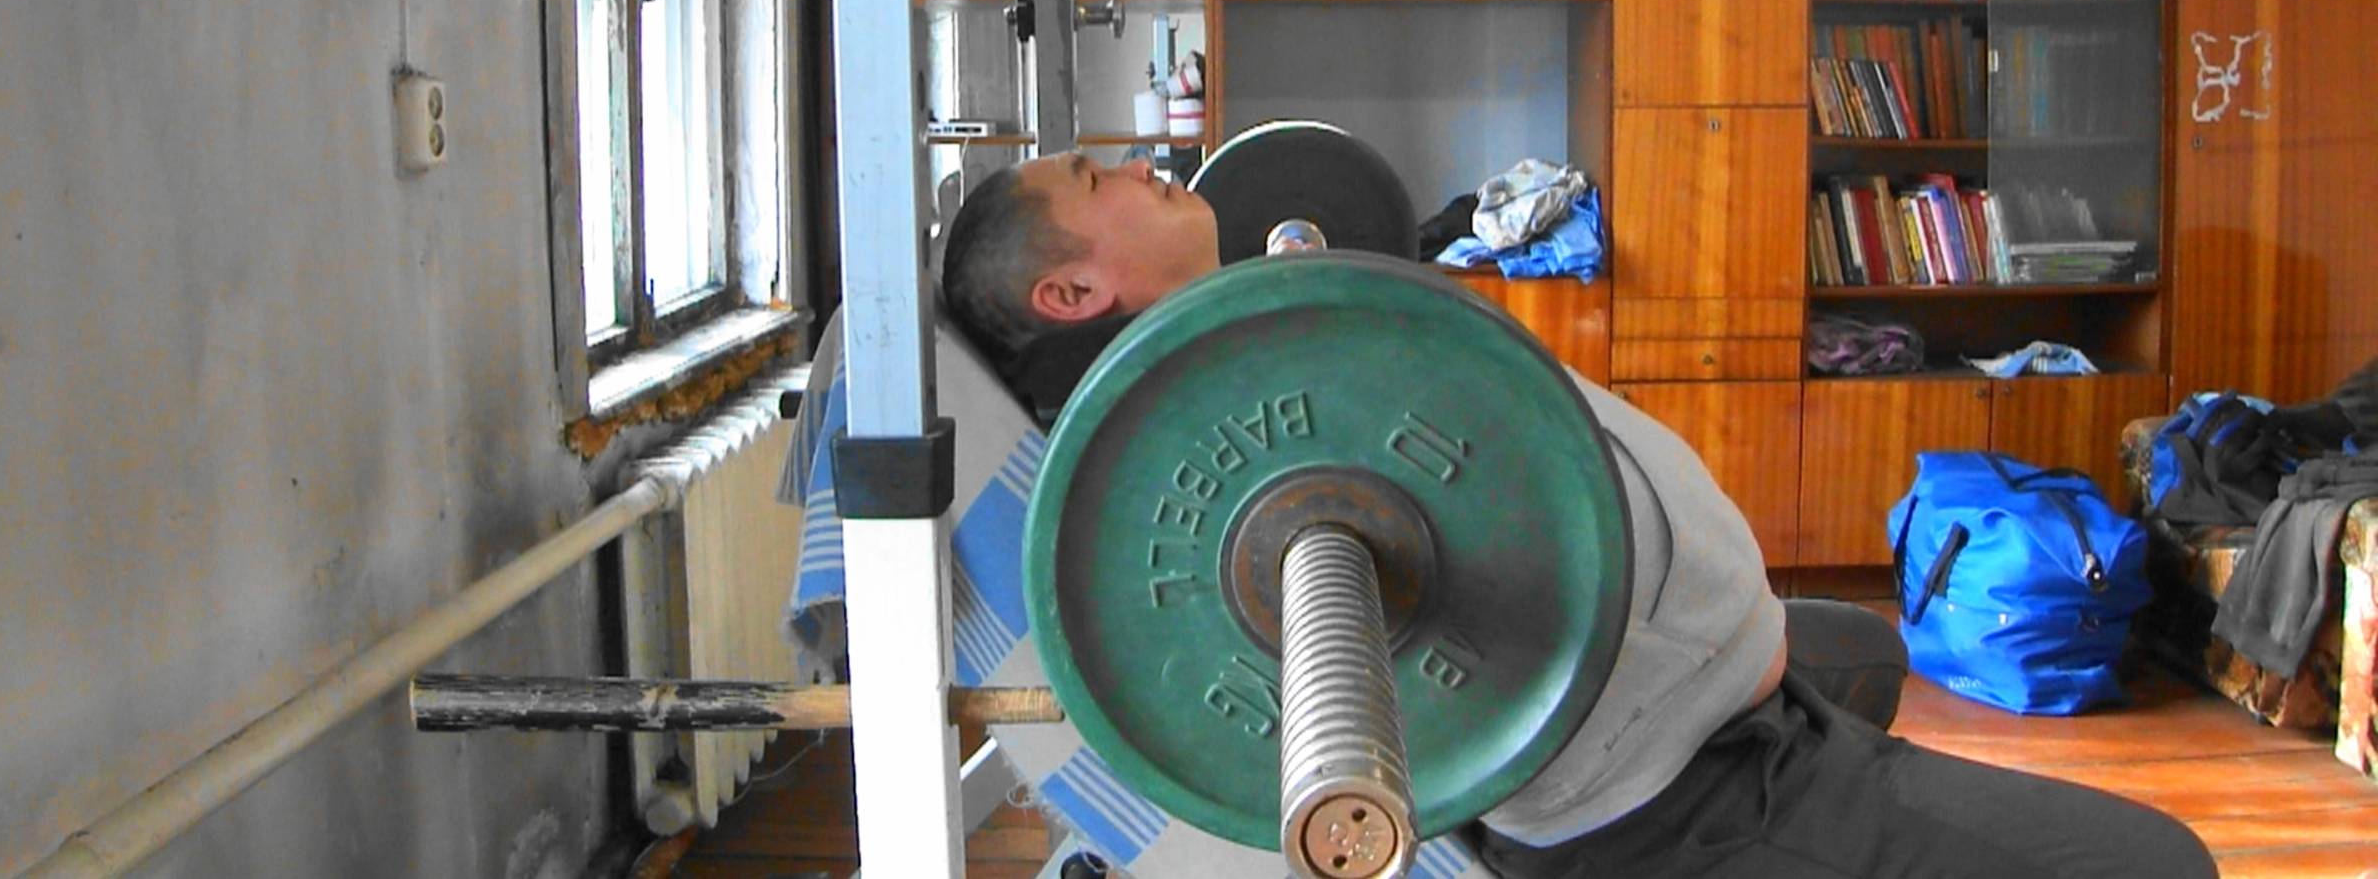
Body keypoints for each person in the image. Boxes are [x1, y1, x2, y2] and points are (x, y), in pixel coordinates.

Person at [941, 151, 2218, 879]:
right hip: (1681, 799)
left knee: (1870, 648)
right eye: (1098, 176)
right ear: (1071, 293)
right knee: (2158, 867)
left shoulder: (1246, 358)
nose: (1141, 162)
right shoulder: (1203, 457)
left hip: (1709, 691)